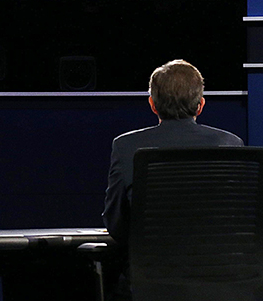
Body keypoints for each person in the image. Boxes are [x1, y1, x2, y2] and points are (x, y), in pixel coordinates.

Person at [103, 59, 243, 245]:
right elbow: (239, 219)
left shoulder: (126, 146)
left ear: (152, 105)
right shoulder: (231, 145)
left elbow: (116, 225)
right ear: (200, 105)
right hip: (224, 270)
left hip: (151, 270)